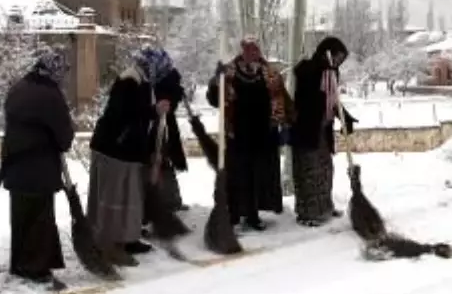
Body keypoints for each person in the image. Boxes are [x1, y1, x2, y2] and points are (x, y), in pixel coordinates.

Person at [87, 46, 174, 266]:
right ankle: (111, 244)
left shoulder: (142, 81)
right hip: (114, 150)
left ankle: (128, 238)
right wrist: (154, 110)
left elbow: (140, 119)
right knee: (116, 197)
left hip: (128, 150)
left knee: (130, 197)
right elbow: (123, 115)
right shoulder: (128, 81)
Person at [0, 46, 75, 288]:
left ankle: (20, 264)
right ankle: (36, 268)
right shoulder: (50, 95)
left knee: (21, 218)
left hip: (14, 164)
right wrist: (60, 139)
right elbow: (64, 136)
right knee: (40, 220)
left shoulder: (19, 87)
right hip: (38, 167)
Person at [206, 37, 291, 231]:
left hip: (261, 133)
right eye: (249, 50)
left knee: (256, 175)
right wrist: (215, 82)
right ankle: (234, 214)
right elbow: (214, 99)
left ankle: (253, 214)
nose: (253, 53)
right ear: (242, 51)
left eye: (256, 50)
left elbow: (280, 97)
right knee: (236, 174)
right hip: (237, 132)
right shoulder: (229, 72)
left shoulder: (269, 72)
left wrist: (282, 122)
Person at [290, 36, 357, 227]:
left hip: (323, 129)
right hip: (306, 128)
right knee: (309, 170)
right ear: (326, 53)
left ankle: (325, 207)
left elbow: (333, 101)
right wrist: (321, 67)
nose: (338, 62)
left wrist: (345, 117)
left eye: (341, 59)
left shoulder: (333, 73)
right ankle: (308, 213)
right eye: (336, 57)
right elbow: (308, 98)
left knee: (326, 169)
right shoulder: (308, 70)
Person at [151, 67, 189, 216]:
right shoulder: (163, 85)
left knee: (165, 165)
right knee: (161, 165)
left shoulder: (164, 80)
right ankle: (166, 201)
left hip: (164, 124)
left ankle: (171, 200)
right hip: (158, 127)